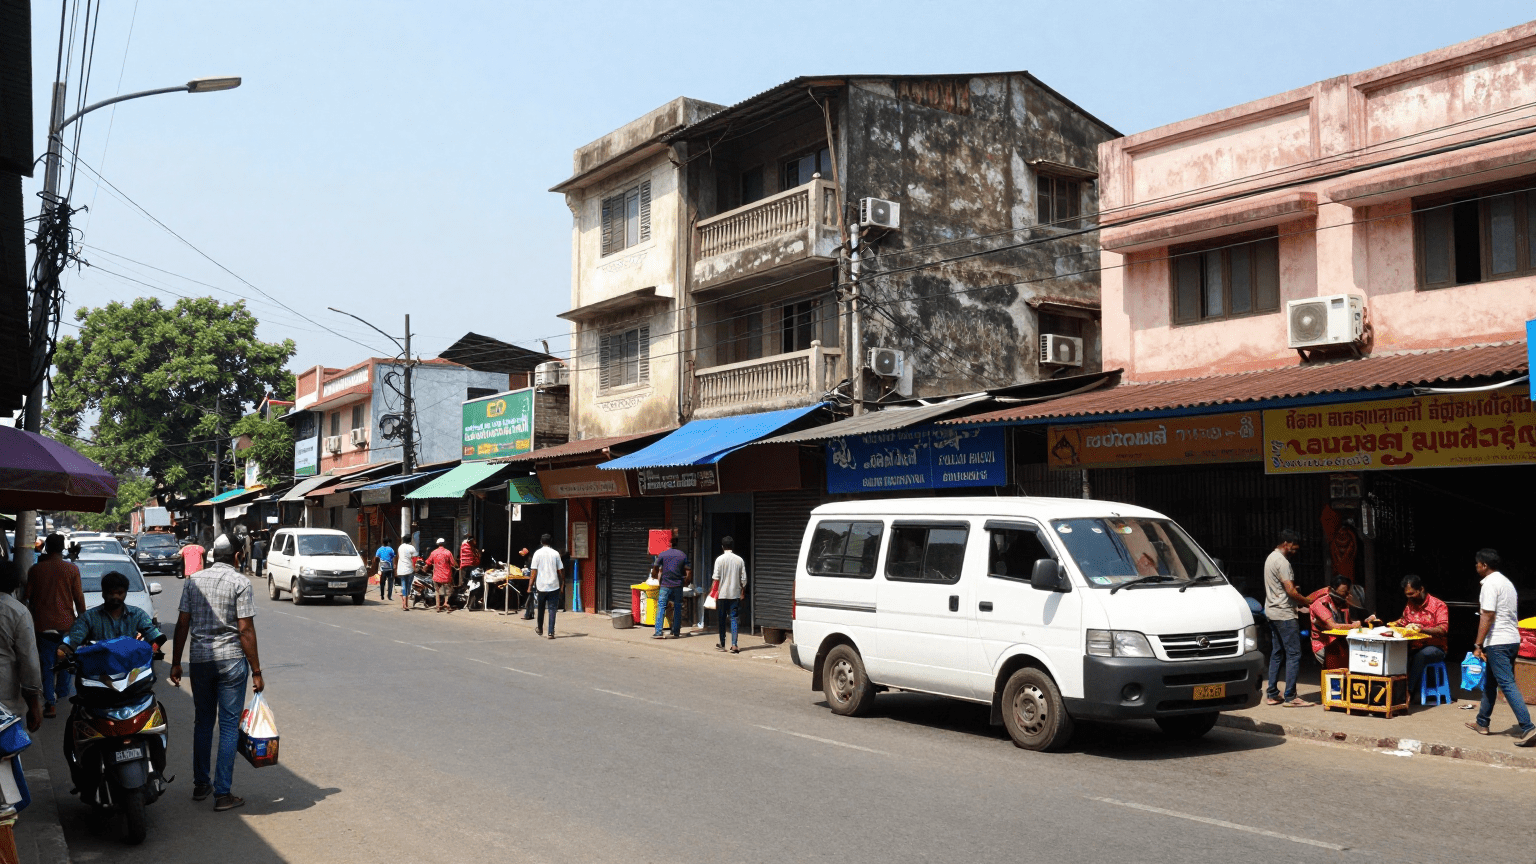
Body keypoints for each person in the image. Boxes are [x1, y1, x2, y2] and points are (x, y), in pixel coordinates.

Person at [168, 535, 264, 811]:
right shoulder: (240, 582)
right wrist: (256, 670)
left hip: (199, 661)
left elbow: (182, 623)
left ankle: (201, 784)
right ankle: (222, 793)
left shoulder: (193, 581)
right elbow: (245, 629)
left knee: (203, 722)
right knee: (228, 727)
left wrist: (176, 662)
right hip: (231, 661)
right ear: (236, 556)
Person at [1465, 549, 1534, 745]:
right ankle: (1482, 722)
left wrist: (1478, 644)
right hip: (1512, 639)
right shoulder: (1507, 583)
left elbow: (1487, 616)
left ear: (1484, 565)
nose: (1476, 566)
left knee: (1506, 683)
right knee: (1490, 683)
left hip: (1498, 642)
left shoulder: (1490, 584)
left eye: (1477, 563)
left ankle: (1528, 727)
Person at [22, 533, 87, 718]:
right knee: (65, 661)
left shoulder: (36, 570)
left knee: (47, 665)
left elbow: (26, 597)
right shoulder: (71, 569)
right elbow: (79, 598)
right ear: (62, 549)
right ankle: (62, 692)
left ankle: (50, 702)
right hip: (67, 625)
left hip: (43, 625)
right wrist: (83, 621)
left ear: (47, 548)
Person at [1262, 529, 1311, 707]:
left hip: (1272, 612)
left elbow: (1281, 590)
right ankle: (1291, 696)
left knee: (1277, 653)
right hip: (1284, 615)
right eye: (1294, 547)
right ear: (1286, 544)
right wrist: (1307, 601)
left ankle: (1272, 693)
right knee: (1294, 654)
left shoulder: (1270, 558)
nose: (1295, 551)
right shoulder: (1282, 562)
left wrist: (1297, 605)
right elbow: (1290, 590)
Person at [58, 571, 166, 651]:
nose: (115, 597)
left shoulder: (137, 615)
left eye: (119, 593)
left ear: (125, 593)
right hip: (97, 670)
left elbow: (155, 635)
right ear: (103, 593)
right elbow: (74, 638)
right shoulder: (89, 617)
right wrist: (65, 650)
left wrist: (153, 649)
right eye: (111, 593)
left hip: (129, 669)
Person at [1389, 574, 1450, 701]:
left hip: (1435, 647)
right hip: (1414, 645)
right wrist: (1392, 625)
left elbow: (1443, 629)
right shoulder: (1410, 604)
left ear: (1421, 589)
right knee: (1398, 653)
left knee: (1420, 656)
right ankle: (1395, 691)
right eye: (1407, 595)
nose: (1409, 597)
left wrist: (1422, 629)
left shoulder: (1438, 605)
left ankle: (1408, 692)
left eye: (1412, 594)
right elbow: (1404, 621)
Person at [0, 561, 43, 735]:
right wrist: (34, 704)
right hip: (5, 698)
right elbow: (29, 662)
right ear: (18, 584)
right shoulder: (18, 612)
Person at [1308, 575, 1363, 669]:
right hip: (1324, 644)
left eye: (1347, 593)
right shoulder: (1320, 604)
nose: (1346, 596)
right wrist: (1353, 626)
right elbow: (1333, 626)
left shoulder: (1341, 604)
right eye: (1343, 593)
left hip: (1339, 641)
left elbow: (1347, 621)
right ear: (1333, 590)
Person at [650, 534, 691, 640]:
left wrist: (654, 576)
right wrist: (685, 581)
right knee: (677, 608)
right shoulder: (682, 555)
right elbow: (688, 571)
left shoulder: (663, 554)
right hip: (678, 585)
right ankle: (676, 632)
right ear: (677, 544)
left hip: (665, 585)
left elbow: (655, 568)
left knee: (661, 607)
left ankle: (658, 632)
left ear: (669, 544)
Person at [711, 536, 747, 654]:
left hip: (722, 594)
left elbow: (716, 579)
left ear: (722, 546)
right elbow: (744, 579)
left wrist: (712, 594)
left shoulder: (719, 560)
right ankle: (734, 645)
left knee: (721, 619)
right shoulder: (739, 560)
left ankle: (722, 643)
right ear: (732, 546)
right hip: (735, 594)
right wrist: (742, 592)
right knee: (734, 619)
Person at [529, 535, 563, 640]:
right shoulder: (556, 554)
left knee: (541, 608)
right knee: (552, 609)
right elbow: (560, 570)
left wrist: (530, 585)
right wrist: (562, 584)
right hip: (554, 585)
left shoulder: (537, 554)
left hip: (541, 586)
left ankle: (539, 628)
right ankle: (550, 632)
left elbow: (533, 571)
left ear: (541, 541)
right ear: (551, 541)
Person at [425, 539, 456, 613]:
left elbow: (428, 562)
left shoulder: (434, 552)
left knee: (437, 591)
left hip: (437, 575)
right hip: (446, 576)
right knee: (447, 590)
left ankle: (438, 606)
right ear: (444, 544)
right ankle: (445, 603)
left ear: (437, 544)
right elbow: (452, 563)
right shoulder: (448, 552)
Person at [396, 535, 418, 612]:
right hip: (409, 569)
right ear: (410, 540)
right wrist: (415, 568)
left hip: (401, 569)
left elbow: (399, 557)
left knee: (403, 585)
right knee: (408, 586)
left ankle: (404, 603)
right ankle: (406, 603)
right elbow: (414, 559)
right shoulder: (412, 548)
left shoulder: (400, 547)